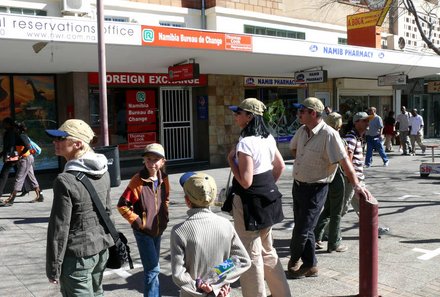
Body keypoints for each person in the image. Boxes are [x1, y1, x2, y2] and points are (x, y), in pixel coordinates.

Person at [287, 97, 372, 279]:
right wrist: (306, 162)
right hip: (298, 186)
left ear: (313, 113)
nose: (298, 114)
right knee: (306, 229)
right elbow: (293, 149)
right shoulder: (302, 131)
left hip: (316, 189)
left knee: (302, 230)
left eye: (302, 111)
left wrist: (356, 185)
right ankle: (311, 265)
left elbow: (345, 161)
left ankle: (294, 260)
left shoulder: (329, 134)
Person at [227, 98, 290, 297]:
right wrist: (266, 186)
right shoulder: (268, 138)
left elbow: (245, 181)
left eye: (239, 113)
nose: (236, 116)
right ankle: (282, 294)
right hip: (268, 198)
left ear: (250, 117)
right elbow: (279, 166)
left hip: (248, 203)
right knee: (268, 250)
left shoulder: (245, 143)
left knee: (250, 253)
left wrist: (231, 161)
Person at [45, 119, 114, 296]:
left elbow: (59, 228)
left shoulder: (65, 180)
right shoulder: (103, 170)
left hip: (77, 257)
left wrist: (54, 267)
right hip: (100, 249)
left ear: (77, 144)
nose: (55, 142)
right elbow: (108, 212)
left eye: (61, 139)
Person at [171, 172, 251, 297]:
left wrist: (199, 286)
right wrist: (216, 283)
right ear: (213, 199)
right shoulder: (226, 225)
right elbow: (242, 260)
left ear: (187, 200)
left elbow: (178, 274)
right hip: (221, 293)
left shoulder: (179, 231)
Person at [117, 143, 169, 297]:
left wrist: (165, 217)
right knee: (152, 270)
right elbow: (122, 205)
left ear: (162, 161)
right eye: (148, 159)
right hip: (144, 232)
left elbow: (165, 199)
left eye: (156, 159)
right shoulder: (137, 180)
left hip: (158, 230)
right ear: (144, 161)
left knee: (153, 268)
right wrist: (138, 222)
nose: (152, 163)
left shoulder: (164, 178)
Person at [314, 112, 348, 253]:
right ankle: (334, 242)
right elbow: (345, 162)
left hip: (323, 177)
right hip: (336, 176)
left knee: (327, 209)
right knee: (336, 211)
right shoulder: (338, 138)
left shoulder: (319, 136)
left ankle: (315, 237)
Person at [0, 121, 42, 206]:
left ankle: (11, 199)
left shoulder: (22, 136)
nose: (13, 129)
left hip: (26, 159)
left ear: (17, 129)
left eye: (14, 128)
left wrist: (20, 155)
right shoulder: (19, 135)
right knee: (31, 177)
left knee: (19, 178)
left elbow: (28, 146)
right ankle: (40, 196)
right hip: (27, 158)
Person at [342, 112, 370, 216]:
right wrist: (352, 178)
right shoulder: (351, 137)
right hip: (351, 180)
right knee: (342, 208)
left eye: (368, 121)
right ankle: (324, 231)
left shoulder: (358, 137)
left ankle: (372, 229)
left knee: (364, 204)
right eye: (364, 121)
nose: (367, 123)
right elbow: (347, 159)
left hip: (357, 179)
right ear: (356, 123)